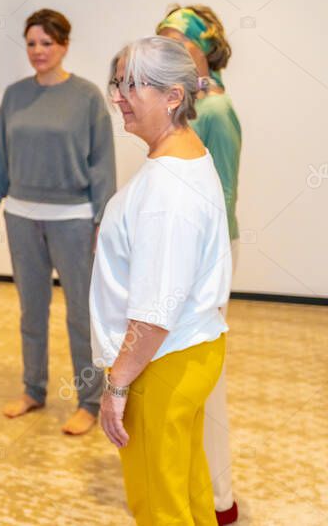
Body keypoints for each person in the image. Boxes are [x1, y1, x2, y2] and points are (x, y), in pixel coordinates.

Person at [92, 36, 230, 525]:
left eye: (132, 85)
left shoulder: (166, 189)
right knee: (187, 492)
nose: (118, 96)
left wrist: (117, 385)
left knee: (157, 505)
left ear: (174, 96)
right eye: (118, 82)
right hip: (191, 351)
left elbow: (154, 313)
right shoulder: (188, 154)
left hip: (161, 362)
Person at [0, 8, 116, 435]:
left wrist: (102, 217)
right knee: (31, 311)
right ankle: (33, 389)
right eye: (32, 43)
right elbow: (0, 156)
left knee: (81, 315)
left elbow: (102, 163)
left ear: (64, 45)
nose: (39, 51)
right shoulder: (14, 95)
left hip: (75, 220)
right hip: (21, 216)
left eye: (47, 43)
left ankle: (90, 400)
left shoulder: (88, 96)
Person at [156, 4, 240, 525]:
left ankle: (220, 501)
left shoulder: (214, 111)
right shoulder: (186, 103)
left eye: (176, 43)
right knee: (184, 380)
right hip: (182, 257)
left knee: (207, 383)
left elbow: (221, 198)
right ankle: (196, 489)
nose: (165, 51)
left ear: (202, 49)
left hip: (206, 261)